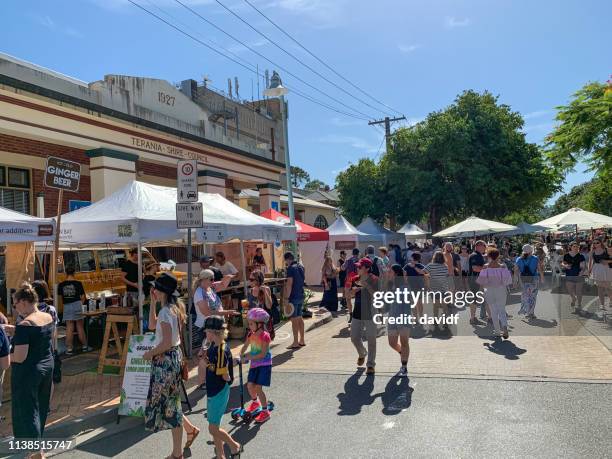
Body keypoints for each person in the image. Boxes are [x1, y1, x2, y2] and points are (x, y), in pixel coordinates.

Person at [143, 273, 200, 459]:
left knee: (171, 407)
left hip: (165, 359)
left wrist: (149, 353)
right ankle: (190, 431)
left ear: (163, 291)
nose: (154, 291)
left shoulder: (166, 311)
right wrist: (152, 302)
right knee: (171, 402)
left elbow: (166, 342)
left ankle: (177, 454)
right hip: (172, 358)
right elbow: (152, 325)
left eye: (156, 289)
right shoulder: (172, 308)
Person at [9, 283, 54, 454]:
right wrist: (15, 331)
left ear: (24, 302)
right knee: (40, 409)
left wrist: (6, 357)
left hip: (28, 373)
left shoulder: (25, 324)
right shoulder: (47, 316)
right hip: (46, 366)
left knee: (28, 413)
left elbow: (20, 356)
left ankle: (36, 453)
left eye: (15, 304)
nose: (15, 308)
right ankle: (36, 450)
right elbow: (41, 336)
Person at [201, 316, 242, 458]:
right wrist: (205, 360)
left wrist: (227, 377)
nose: (205, 334)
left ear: (213, 332)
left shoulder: (220, 350)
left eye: (206, 331)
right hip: (214, 390)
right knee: (215, 426)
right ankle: (220, 455)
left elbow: (223, 372)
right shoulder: (215, 346)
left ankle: (234, 446)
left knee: (212, 428)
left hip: (218, 390)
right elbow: (215, 367)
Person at [193, 270, 235, 390]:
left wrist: (227, 277)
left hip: (214, 328)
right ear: (204, 279)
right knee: (204, 354)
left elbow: (222, 285)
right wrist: (226, 312)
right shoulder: (199, 293)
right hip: (205, 328)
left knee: (212, 353)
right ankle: (201, 382)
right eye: (211, 279)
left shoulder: (209, 288)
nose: (213, 281)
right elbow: (206, 312)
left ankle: (211, 377)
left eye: (213, 279)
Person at [240, 307, 273, 423]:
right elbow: (245, 346)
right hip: (254, 364)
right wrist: (241, 354)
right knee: (249, 386)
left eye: (251, 324)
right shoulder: (251, 335)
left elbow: (263, 354)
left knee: (258, 388)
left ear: (260, 324)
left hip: (264, 364)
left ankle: (265, 412)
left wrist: (248, 357)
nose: (249, 326)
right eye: (249, 324)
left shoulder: (265, 336)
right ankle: (255, 402)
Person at [350, 258, 379, 375]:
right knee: (354, 337)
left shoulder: (374, 279)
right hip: (357, 311)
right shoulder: (355, 279)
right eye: (357, 266)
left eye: (360, 267)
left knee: (371, 339)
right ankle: (362, 353)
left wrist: (365, 285)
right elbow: (349, 294)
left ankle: (371, 365)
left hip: (371, 312)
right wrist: (353, 291)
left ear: (367, 268)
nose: (357, 269)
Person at [477, 248, 513, 338]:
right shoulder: (503, 266)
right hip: (500, 289)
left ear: (488, 256)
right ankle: (504, 328)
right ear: (498, 256)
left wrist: (480, 292)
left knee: (493, 311)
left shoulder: (485, 267)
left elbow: (481, 281)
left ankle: (497, 331)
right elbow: (508, 281)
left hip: (489, 290)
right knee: (501, 310)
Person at [57, 266, 91, 355]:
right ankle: (84, 346)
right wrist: (81, 304)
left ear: (66, 273)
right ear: (74, 273)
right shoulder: (78, 283)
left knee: (69, 327)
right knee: (80, 326)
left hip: (67, 306)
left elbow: (60, 298)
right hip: (77, 305)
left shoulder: (61, 284)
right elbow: (83, 297)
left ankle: (69, 349)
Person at [387, 264, 412, 377]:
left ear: (396, 274)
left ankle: (404, 366)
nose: (388, 273)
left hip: (403, 318)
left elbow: (408, 305)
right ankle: (403, 353)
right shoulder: (390, 285)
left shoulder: (404, 287)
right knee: (392, 343)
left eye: (390, 272)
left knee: (404, 342)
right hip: (392, 317)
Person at [423, 251, 452, 332]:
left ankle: (435, 320)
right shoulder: (445, 266)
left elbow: (423, 272)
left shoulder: (430, 265)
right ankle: (445, 322)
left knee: (435, 305)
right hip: (444, 288)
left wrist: (429, 276)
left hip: (434, 288)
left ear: (434, 257)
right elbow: (446, 276)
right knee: (444, 306)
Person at [514, 244, 544, 319]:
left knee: (526, 295)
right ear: (531, 251)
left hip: (523, 280)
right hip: (534, 279)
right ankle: (531, 313)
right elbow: (540, 269)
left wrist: (515, 281)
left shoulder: (519, 259)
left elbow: (516, 271)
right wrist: (542, 278)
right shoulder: (535, 258)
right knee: (533, 296)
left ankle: (525, 310)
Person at [284, 252, 306, 349]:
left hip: (293, 296)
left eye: (286, 261)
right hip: (301, 294)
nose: (286, 263)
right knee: (300, 317)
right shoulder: (300, 266)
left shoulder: (290, 268)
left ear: (288, 259)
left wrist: (286, 298)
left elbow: (289, 284)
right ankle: (302, 340)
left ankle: (295, 342)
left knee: (294, 320)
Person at [561, 242, 586, 312]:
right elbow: (563, 263)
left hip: (578, 275)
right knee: (569, 290)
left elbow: (583, 266)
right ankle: (573, 298)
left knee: (578, 291)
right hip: (569, 275)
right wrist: (565, 265)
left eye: (577, 247)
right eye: (574, 246)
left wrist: (581, 272)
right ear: (571, 247)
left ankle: (579, 304)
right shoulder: (566, 255)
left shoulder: (581, 256)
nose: (576, 248)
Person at [468, 240, 487, 325]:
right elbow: (475, 268)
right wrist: (487, 268)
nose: (485, 247)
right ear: (479, 246)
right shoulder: (475, 255)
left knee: (476, 299)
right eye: (484, 246)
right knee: (474, 299)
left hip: (476, 279)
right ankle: (472, 318)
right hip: (474, 279)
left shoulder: (478, 255)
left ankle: (473, 318)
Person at [589, 240, 611, 311]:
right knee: (600, 288)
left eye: (597, 243)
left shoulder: (607, 250)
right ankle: (602, 304)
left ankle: (611, 300)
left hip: (606, 269)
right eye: (594, 243)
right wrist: (589, 271)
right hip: (597, 269)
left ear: (601, 243)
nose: (595, 244)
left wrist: (607, 261)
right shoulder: (592, 251)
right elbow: (590, 262)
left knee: (608, 287)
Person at [403, 252, 425, 320]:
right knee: (419, 303)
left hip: (412, 286)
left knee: (414, 304)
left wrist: (406, 283)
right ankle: (420, 317)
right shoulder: (420, 265)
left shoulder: (409, 266)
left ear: (413, 258)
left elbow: (404, 275)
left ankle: (416, 319)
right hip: (418, 286)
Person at [341, 248, 360, 322]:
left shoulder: (348, 260)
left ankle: (351, 314)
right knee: (358, 298)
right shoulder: (360, 260)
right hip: (358, 280)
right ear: (358, 253)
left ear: (352, 253)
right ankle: (357, 314)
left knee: (348, 299)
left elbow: (342, 268)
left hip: (349, 280)